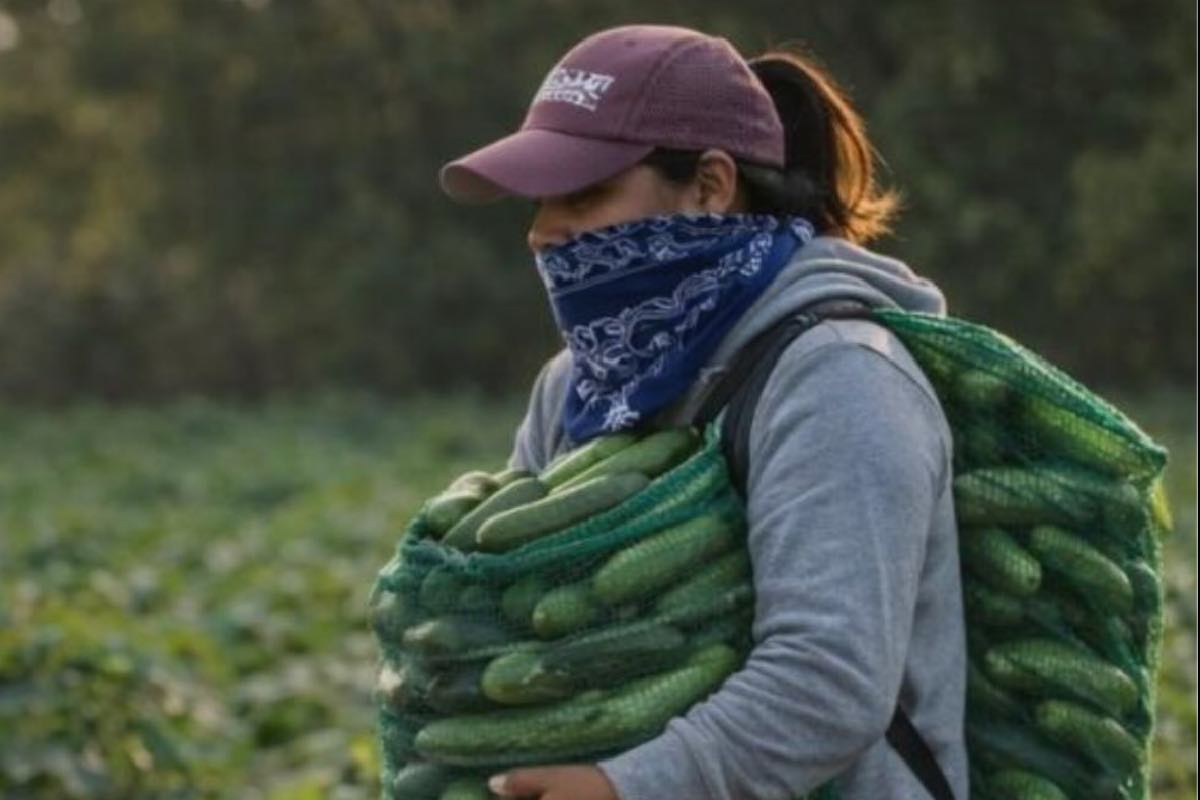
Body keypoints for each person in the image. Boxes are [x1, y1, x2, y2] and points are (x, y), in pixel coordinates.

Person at [438, 24, 967, 800]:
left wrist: (627, 786)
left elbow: (829, 681)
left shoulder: (841, 380)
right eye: (539, 200)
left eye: (583, 193)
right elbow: (528, 610)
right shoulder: (577, 386)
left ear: (711, 187)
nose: (542, 231)